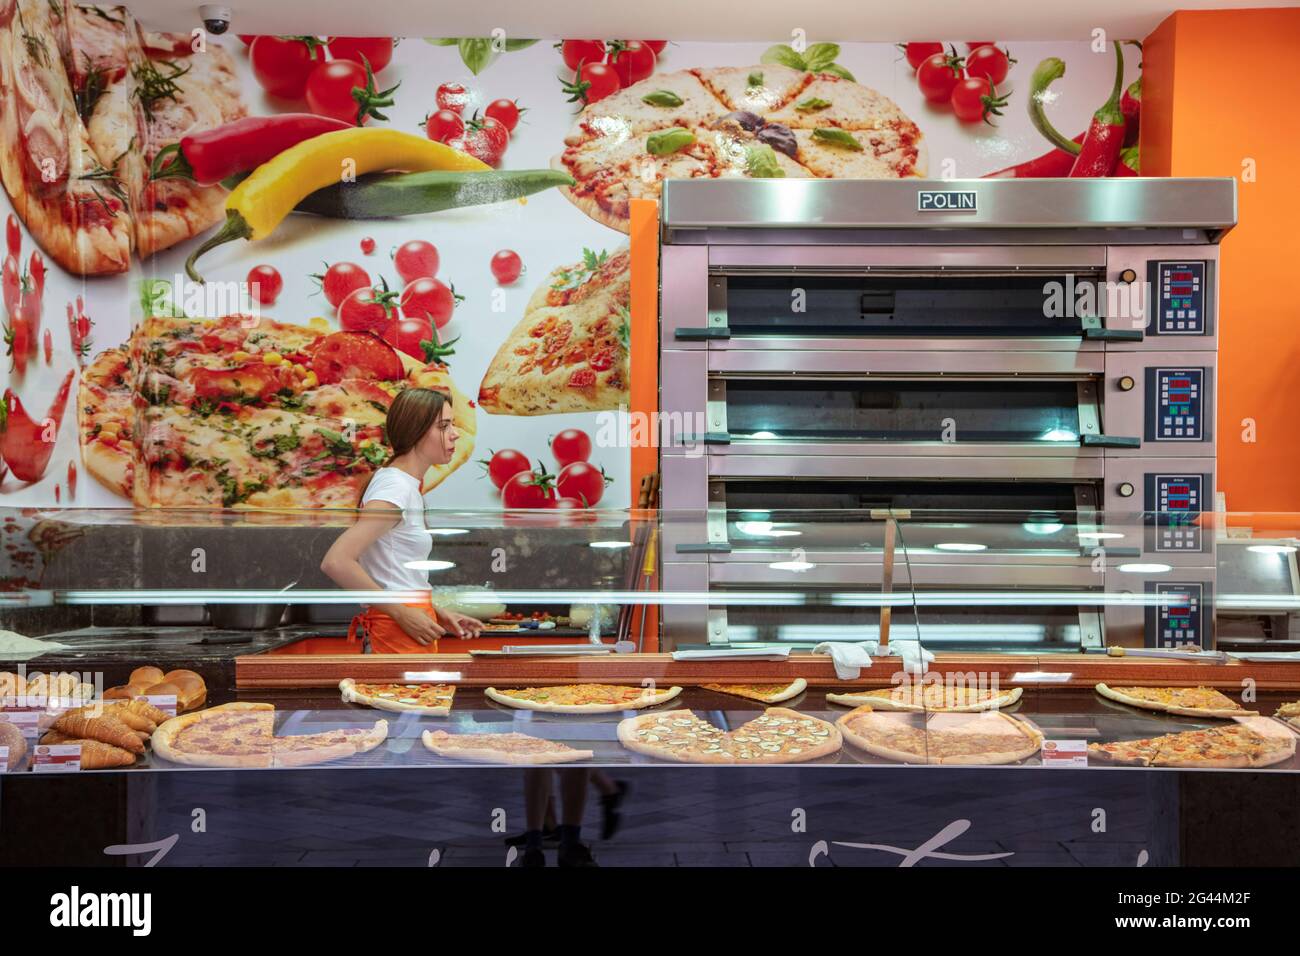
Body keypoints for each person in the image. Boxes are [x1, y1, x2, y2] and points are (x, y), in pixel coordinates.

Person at [321, 387, 483, 651]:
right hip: (395, 629)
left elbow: (393, 571)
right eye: (443, 426)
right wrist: (401, 613)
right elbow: (336, 561)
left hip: (411, 621)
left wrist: (438, 613)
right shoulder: (395, 487)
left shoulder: (404, 484)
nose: (455, 434)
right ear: (416, 432)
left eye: (452, 424)